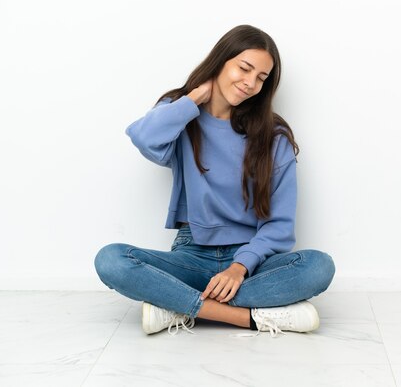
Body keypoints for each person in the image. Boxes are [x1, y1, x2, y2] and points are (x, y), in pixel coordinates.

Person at [94, 25, 335, 337]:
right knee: (111, 260)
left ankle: (177, 304)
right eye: (244, 68)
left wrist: (239, 267)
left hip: (252, 262)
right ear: (221, 61)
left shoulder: (273, 138)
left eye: (261, 78)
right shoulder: (181, 115)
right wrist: (193, 99)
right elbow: (143, 138)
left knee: (318, 267)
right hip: (191, 254)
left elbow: (280, 225)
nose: (250, 83)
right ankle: (249, 317)